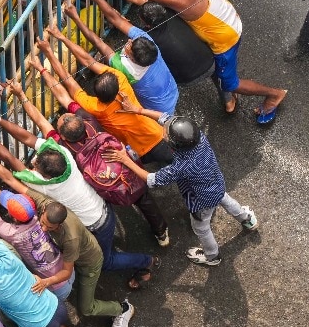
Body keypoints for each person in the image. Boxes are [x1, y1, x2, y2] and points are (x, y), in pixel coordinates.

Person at [87, 0, 288, 124]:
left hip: (226, 40)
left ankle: (274, 94)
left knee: (230, 82)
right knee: (215, 68)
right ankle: (226, 96)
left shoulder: (180, 0)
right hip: (227, 17)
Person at [0, 122, 159, 288]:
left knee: (106, 262)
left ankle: (146, 261)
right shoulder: (64, 155)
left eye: (35, 167)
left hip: (97, 224)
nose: (33, 166)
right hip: (103, 208)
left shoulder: (45, 186)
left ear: (45, 175)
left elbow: (10, 169)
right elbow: (29, 139)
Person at [20, 67, 170, 246]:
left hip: (103, 190)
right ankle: (161, 233)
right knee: (145, 200)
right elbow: (64, 97)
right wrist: (44, 70)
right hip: (129, 175)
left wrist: (21, 95)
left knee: (108, 194)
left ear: (63, 136)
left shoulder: (63, 147)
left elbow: (40, 120)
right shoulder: (89, 121)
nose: (62, 115)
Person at [105, 101, 259, 267]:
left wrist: (125, 159)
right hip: (217, 182)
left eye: (166, 135)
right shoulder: (197, 136)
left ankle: (212, 256)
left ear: (173, 145)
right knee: (225, 199)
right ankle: (247, 220)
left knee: (201, 228)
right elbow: (166, 118)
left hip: (201, 201)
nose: (163, 131)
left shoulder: (181, 166)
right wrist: (138, 110)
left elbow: (152, 180)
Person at [35, 37, 175, 165]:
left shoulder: (94, 107)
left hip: (142, 151)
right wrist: (57, 41)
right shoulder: (121, 80)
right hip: (159, 133)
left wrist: (51, 49)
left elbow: (69, 81)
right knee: (179, 160)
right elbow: (89, 62)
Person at [33, 194, 137, 327]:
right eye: (42, 222)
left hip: (90, 264)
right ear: (44, 209)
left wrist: (45, 282)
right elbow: (11, 181)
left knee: (86, 308)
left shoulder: (71, 239)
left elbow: (66, 272)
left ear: (60, 225)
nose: (43, 229)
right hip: (78, 257)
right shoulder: (49, 206)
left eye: (49, 227)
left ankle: (122, 309)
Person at [65, 0, 179, 113]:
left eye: (130, 46)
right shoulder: (147, 42)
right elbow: (116, 19)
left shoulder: (127, 70)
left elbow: (98, 43)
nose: (129, 41)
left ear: (133, 58)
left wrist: (76, 18)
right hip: (171, 94)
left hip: (158, 109)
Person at [90, 0, 215, 85]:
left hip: (188, 78)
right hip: (210, 61)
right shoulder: (168, 10)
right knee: (221, 79)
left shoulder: (147, 37)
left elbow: (115, 19)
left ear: (147, 23)